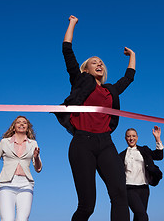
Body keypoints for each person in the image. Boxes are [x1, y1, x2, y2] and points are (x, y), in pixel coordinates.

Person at [54, 15, 136, 221]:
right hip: (83, 143)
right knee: (87, 205)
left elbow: (128, 78)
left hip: (106, 144)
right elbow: (67, 51)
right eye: (93, 62)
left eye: (100, 62)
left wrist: (132, 55)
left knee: (120, 195)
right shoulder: (80, 81)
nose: (98, 64)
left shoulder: (111, 91)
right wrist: (72, 24)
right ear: (86, 69)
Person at [0, 116, 42, 221]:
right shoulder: (4, 142)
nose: (21, 124)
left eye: (24, 122)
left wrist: (36, 157)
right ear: (14, 127)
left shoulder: (33, 144)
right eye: (18, 122)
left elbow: (38, 169)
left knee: (22, 219)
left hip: (26, 184)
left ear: (27, 127)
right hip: (6, 185)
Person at [119, 126, 164, 221]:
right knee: (142, 215)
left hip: (144, 188)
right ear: (125, 138)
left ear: (137, 137)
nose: (131, 138)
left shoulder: (144, 150)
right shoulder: (121, 155)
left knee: (139, 217)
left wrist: (157, 138)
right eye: (128, 136)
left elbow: (159, 156)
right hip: (129, 188)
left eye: (133, 136)